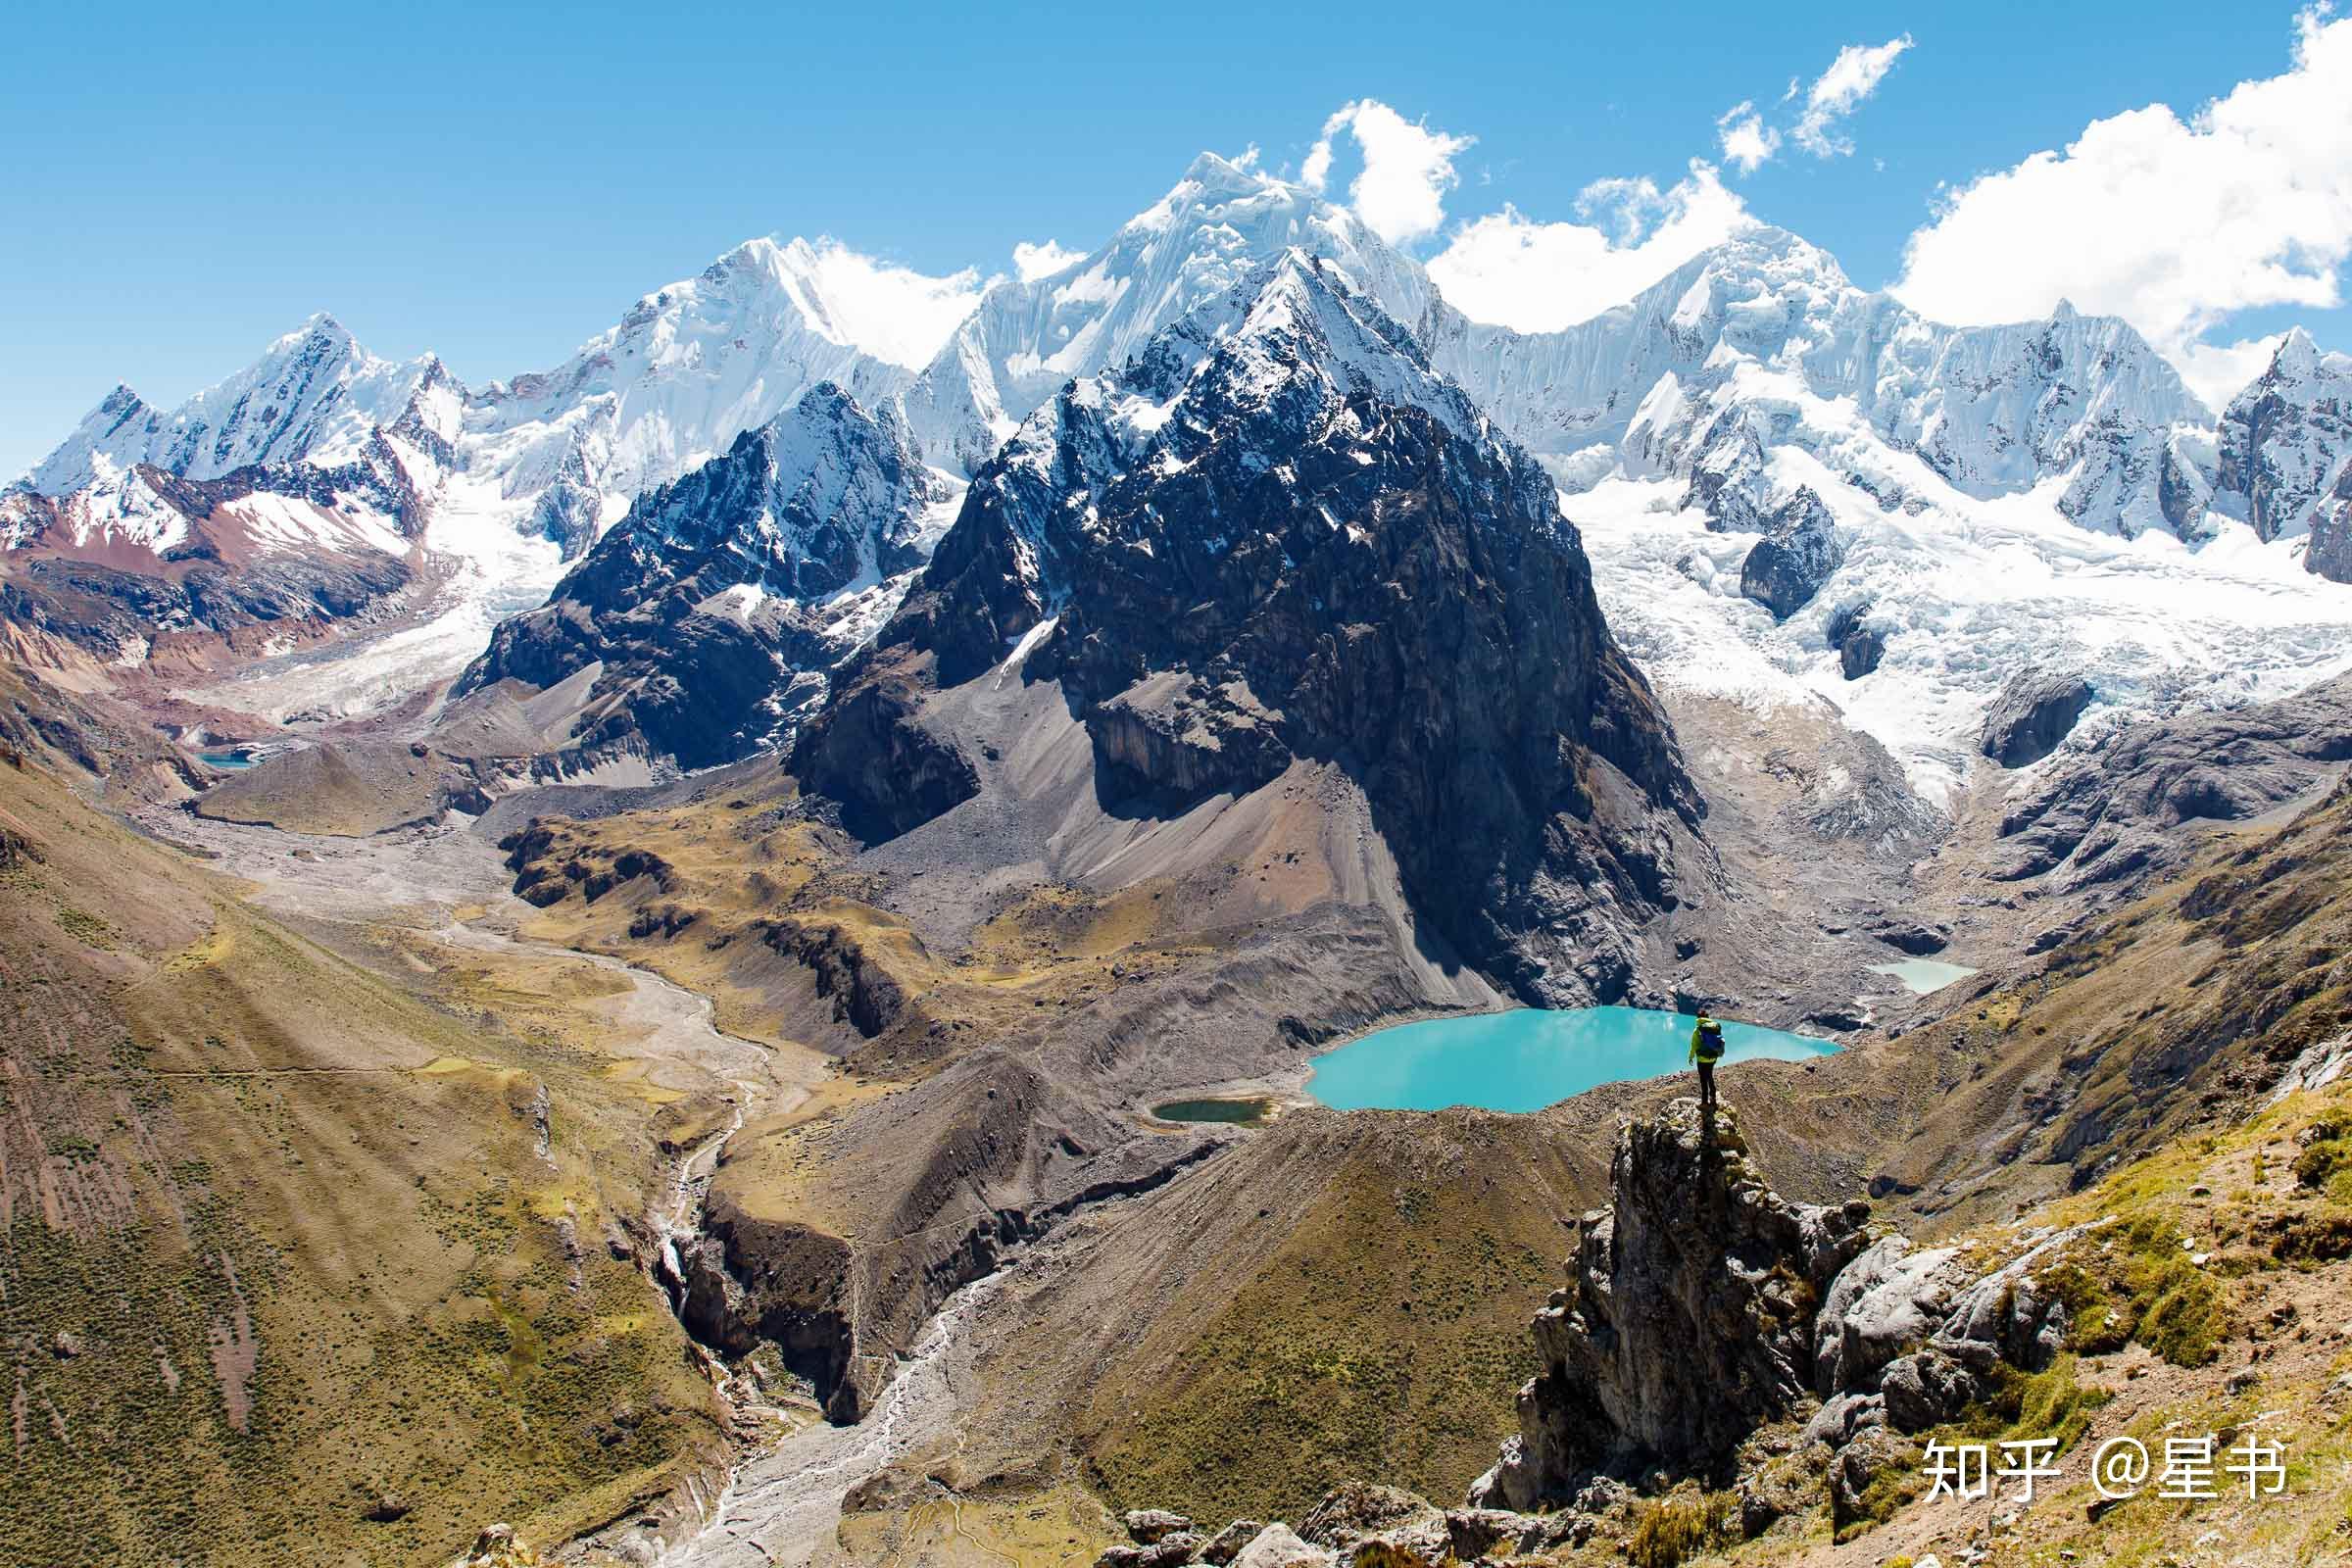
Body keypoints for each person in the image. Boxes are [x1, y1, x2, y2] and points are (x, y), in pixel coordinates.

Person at [1689, 1013, 1725, 1109]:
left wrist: (1691, 1056)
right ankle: (1713, 1100)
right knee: (1710, 1077)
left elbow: (1694, 1045)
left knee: (1703, 1080)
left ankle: (1704, 1102)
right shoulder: (1715, 1027)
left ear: (1698, 1018)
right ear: (1708, 1018)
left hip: (1701, 1059)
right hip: (1713, 1058)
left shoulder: (1698, 1030)